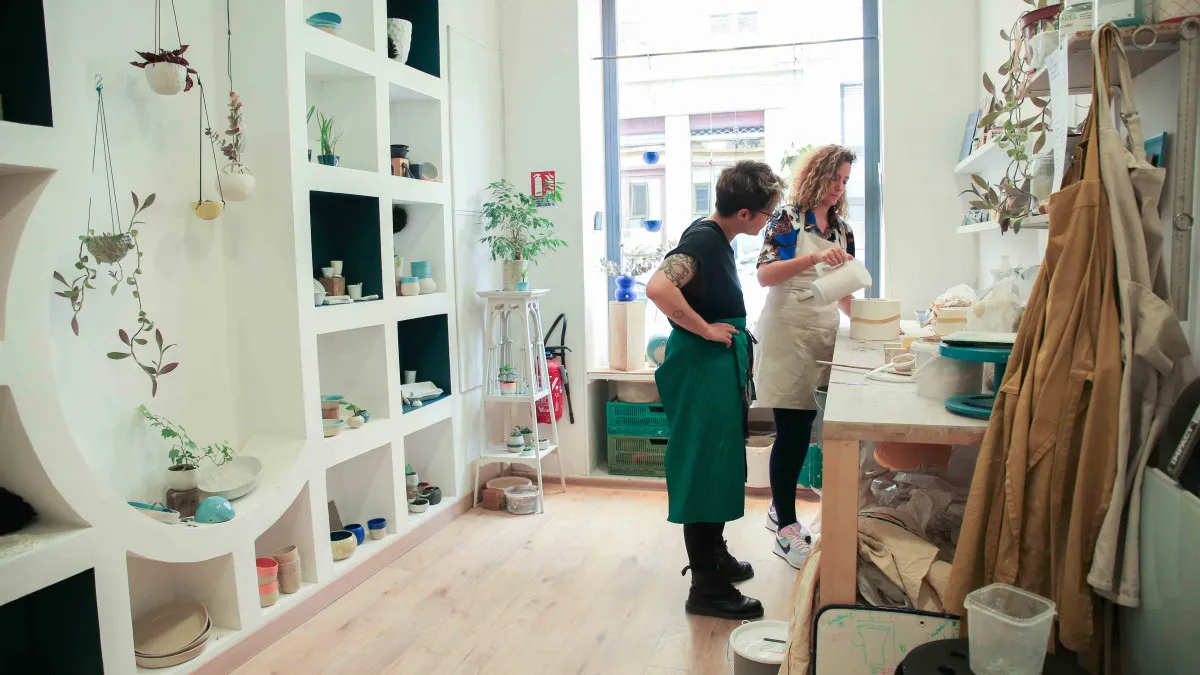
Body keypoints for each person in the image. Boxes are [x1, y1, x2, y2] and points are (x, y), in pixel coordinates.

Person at [647, 160, 785, 620]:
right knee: (703, 469)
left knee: (719, 463)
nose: (767, 223)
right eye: (765, 215)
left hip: (716, 367)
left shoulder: (714, 236)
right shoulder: (704, 239)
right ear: (744, 213)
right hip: (702, 367)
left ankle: (715, 555)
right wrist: (705, 329)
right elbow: (658, 287)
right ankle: (706, 585)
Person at [754, 144, 857, 569]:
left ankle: (781, 510)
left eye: (846, 181)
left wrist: (877, 324)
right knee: (792, 431)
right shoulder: (787, 219)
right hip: (787, 335)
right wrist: (812, 257)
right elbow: (764, 274)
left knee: (810, 429)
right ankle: (785, 529)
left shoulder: (842, 228)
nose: (839, 188)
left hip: (823, 334)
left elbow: (845, 289)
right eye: (834, 178)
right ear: (816, 174)